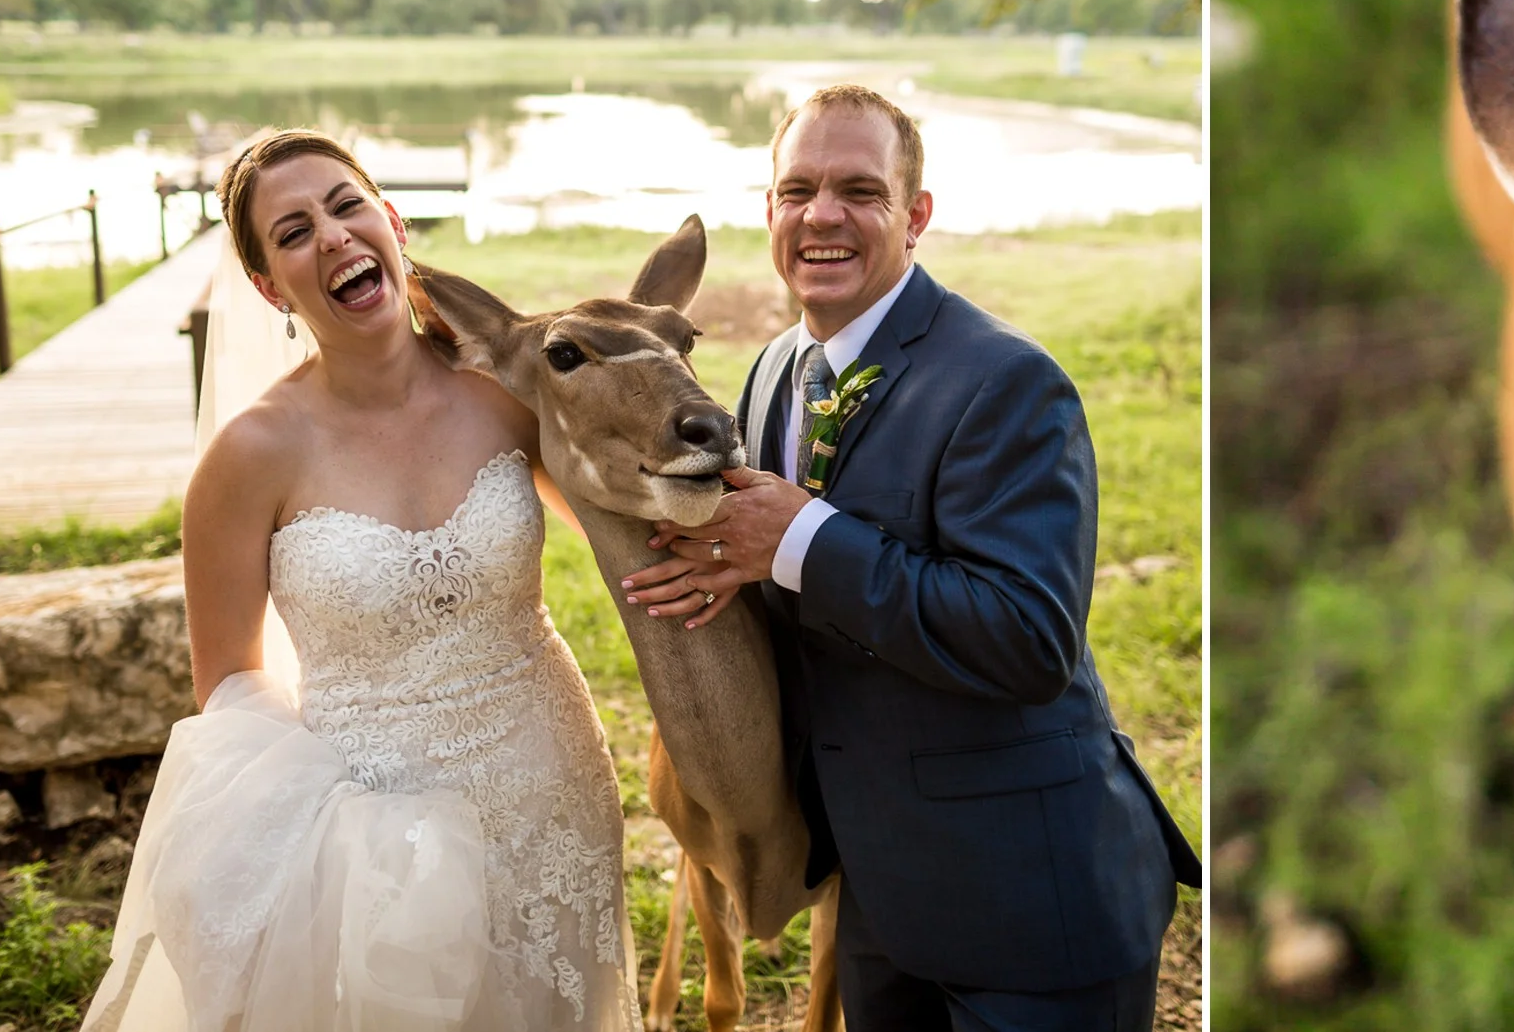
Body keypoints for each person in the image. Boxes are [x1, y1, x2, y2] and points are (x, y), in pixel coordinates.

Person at [620, 84, 1199, 1030]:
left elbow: (1029, 636)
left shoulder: (1007, 380)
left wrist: (801, 540)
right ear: (769, 209)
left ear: (915, 214)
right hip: (879, 903)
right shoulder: (771, 373)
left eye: (860, 189)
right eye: (797, 188)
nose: (823, 216)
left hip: (1029, 903)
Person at [82, 130, 638, 1031]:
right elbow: (228, 676)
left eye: (346, 205)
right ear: (270, 287)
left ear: (392, 220)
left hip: (552, 781)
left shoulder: (505, 391)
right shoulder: (250, 453)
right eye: (294, 231)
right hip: (374, 822)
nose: (333, 236)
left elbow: (620, 533)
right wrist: (331, 823)